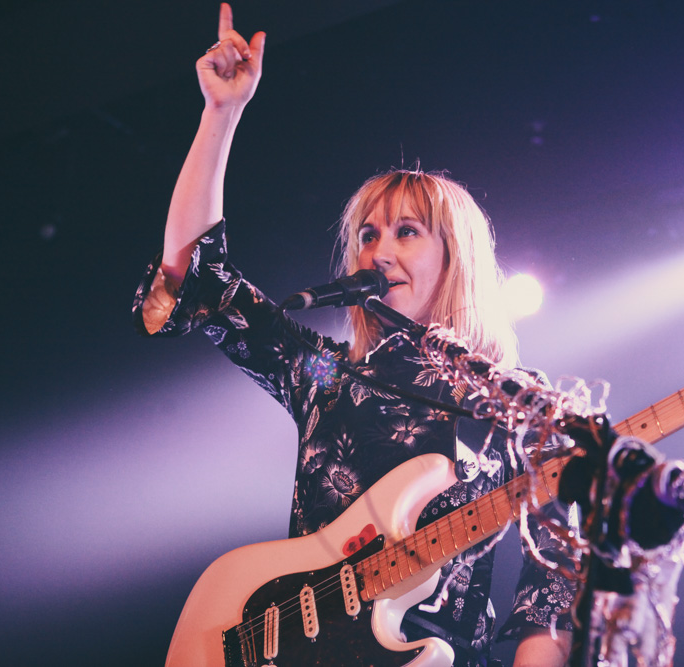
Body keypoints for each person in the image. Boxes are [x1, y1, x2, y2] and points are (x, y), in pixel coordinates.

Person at [134, 4, 576, 665]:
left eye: (407, 232)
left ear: (455, 257)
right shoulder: (328, 374)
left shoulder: (518, 404)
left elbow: (553, 586)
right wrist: (219, 115)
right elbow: (200, 279)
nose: (379, 251)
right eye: (368, 234)